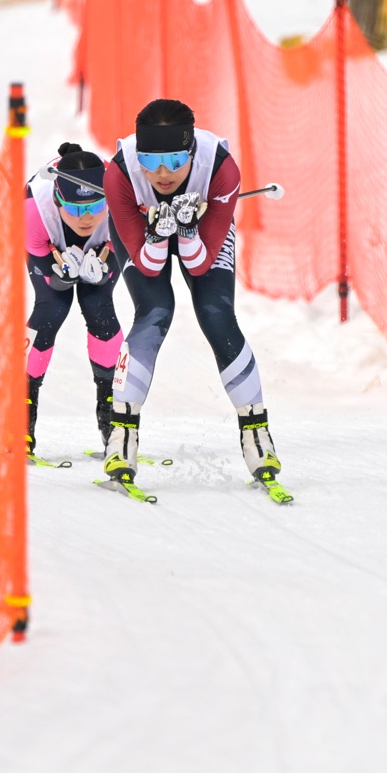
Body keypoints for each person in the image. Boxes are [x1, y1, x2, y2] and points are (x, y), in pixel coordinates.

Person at [101, 98, 282, 491]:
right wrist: (155, 235)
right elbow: (148, 266)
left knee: (217, 315)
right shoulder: (119, 174)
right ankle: (122, 436)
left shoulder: (220, 169)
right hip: (143, 231)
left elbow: (200, 266)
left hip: (202, 233)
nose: (162, 174)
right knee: (154, 310)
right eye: (150, 162)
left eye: (174, 160)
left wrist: (185, 232)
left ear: (192, 152)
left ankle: (256, 434)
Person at [24, 142, 127, 457]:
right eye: (76, 209)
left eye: (96, 206)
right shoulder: (34, 211)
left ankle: (112, 415)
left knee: (100, 308)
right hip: (49, 242)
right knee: (52, 308)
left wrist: (102, 271)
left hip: (106, 243)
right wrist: (61, 276)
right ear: (58, 201)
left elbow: (124, 248)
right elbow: (50, 279)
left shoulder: (123, 200)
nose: (87, 218)